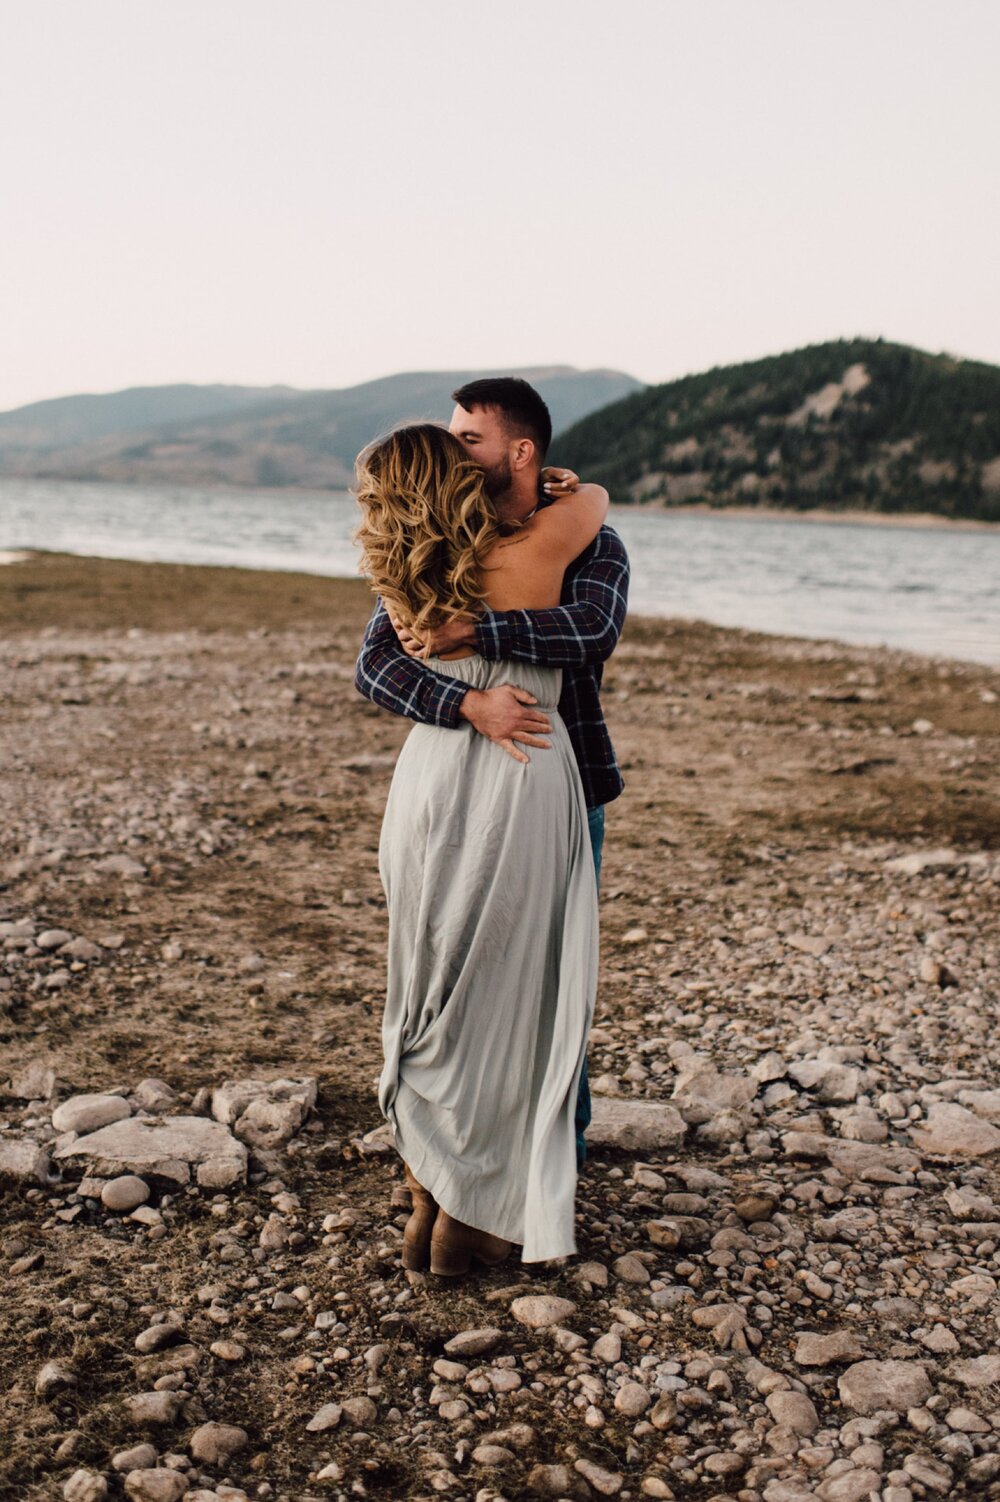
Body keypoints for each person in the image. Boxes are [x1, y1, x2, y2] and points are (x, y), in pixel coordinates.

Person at [354, 419, 612, 1271]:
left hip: (428, 783)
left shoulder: (404, 568)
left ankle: (436, 1189)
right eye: (456, 445)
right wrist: (583, 491)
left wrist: (467, 661)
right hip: (521, 767)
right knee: (510, 984)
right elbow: (598, 511)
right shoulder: (545, 542)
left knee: (432, 977)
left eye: (476, 434)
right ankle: (477, 1205)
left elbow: (592, 631)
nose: (469, 451)